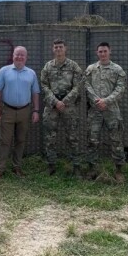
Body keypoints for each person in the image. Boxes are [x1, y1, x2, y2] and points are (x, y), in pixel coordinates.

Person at [0, 46, 41, 180]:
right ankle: (0, 169)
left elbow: (35, 92)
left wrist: (36, 110)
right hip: (7, 110)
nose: (19, 57)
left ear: (26, 57)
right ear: (13, 56)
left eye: (22, 55)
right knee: (5, 141)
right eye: (17, 55)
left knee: (21, 140)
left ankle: (16, 167)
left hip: (25, 111)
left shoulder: (31, 73)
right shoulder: (4, 71)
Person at [39, 39, 84, 177]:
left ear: (65, 49)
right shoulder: (47, 67)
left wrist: (64, 101)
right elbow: (44, 85)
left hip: (68, 107)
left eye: (61, 47)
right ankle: (51, 165)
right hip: (52, 106)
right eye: (56, 47)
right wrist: (55, 101)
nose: (58, 49)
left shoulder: (73, 66)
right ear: (53, 49)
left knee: (73, 137)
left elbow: (78, 86)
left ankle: (76, 166)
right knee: (49, 137)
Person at [85, 42, 127, 183]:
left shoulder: (117, 70)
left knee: (116, 140)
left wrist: (106, 101)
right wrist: (97, 100)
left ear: (110, 52)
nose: (103, 54)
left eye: (105, 51)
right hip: (95, 110)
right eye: (100, 51)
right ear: (97, 53)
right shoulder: (91, 69)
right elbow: (86, 85)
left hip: (112, 110)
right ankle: (92, 168)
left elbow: (120, 88)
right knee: (92, 140)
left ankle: (119, 170)